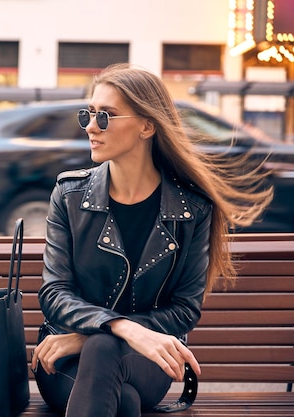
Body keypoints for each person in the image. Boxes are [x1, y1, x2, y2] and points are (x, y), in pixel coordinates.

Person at [31, 63, 273, 417]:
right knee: (123, 400)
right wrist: (122, 327)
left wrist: (102, 335)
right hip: (64, 361)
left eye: (107, 116)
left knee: (103, 351)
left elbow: (184, 310)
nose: (91, 127)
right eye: (89, 114)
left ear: (147, 125)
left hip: (145, 361)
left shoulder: (192, 209)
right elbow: (54, 294)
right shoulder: (69, 195)